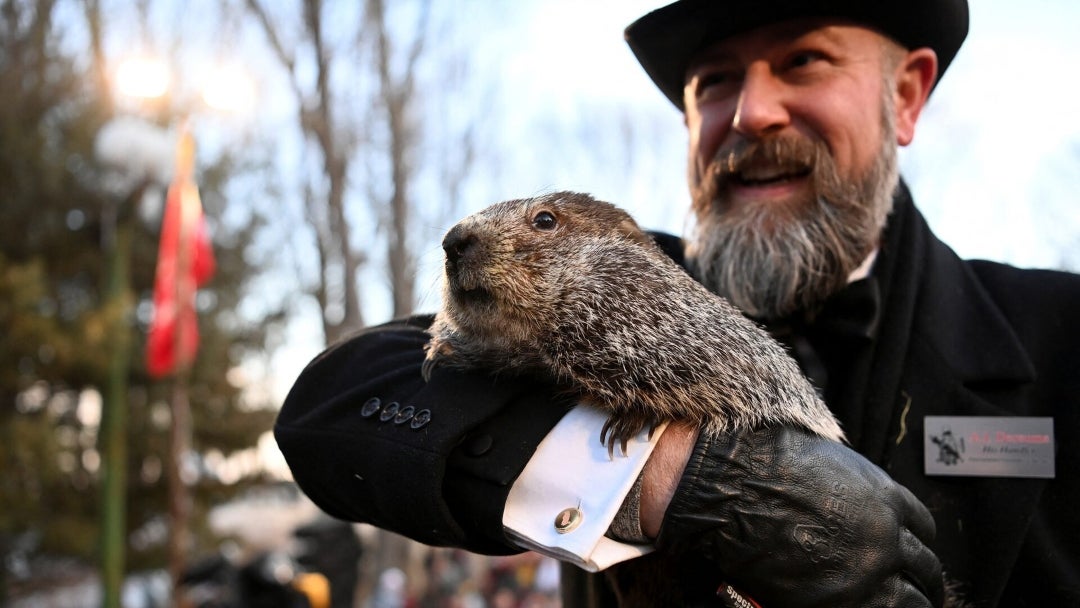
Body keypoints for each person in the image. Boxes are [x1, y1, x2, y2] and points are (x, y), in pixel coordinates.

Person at [274, 1, 1080, 606]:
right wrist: (672, 475)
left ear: (905, 97)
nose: (752, 112)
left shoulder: (1059, 331)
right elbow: (332, 402)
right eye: (716, 80)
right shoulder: (621, 272)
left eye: (804, 61)